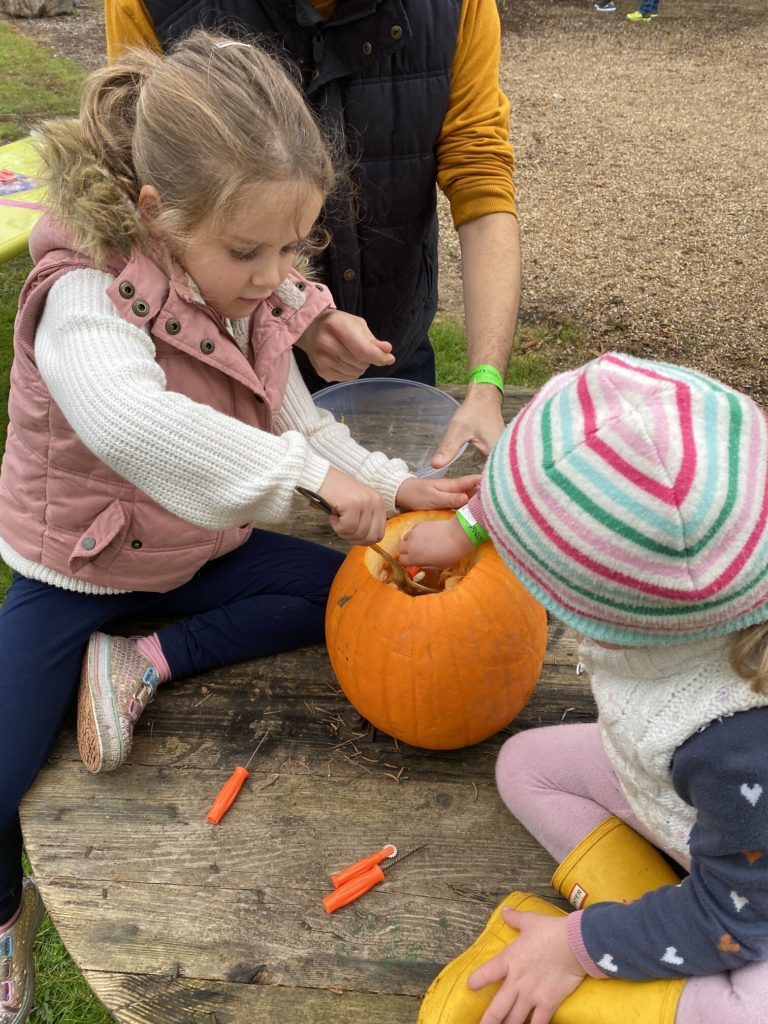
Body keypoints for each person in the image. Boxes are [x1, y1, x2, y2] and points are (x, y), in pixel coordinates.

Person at [0, 32, 480, 1024]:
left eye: (292, 249)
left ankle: (142, 662)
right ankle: (6, 919)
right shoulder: (84, 297)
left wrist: (390, 490)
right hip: (77, 569)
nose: (275, 279)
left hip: (189, 550)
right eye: (248, 251)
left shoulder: (249, 291)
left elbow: (293, 415)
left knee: (333, 596)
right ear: (154, 214)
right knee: (0, 767)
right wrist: (307, 480)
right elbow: (137, 428)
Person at [401, 353, 768, 1024]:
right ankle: (653, 919)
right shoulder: (722, 524)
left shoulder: (734, 742)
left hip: (750, 895)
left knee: (751, 1008)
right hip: (713, 825)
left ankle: (621, 962)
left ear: (601, 609)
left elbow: (742, 920)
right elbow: (563, 488)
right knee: (525, 766)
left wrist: (578, 949)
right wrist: (470, 526)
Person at [103, 0, 520, 473]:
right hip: (219, 360)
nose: (269, 269)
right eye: (245, 250)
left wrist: (485, 384)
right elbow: (150, 200)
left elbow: (481, 175)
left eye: (290, 247)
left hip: (389, 350)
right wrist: (296, 323)